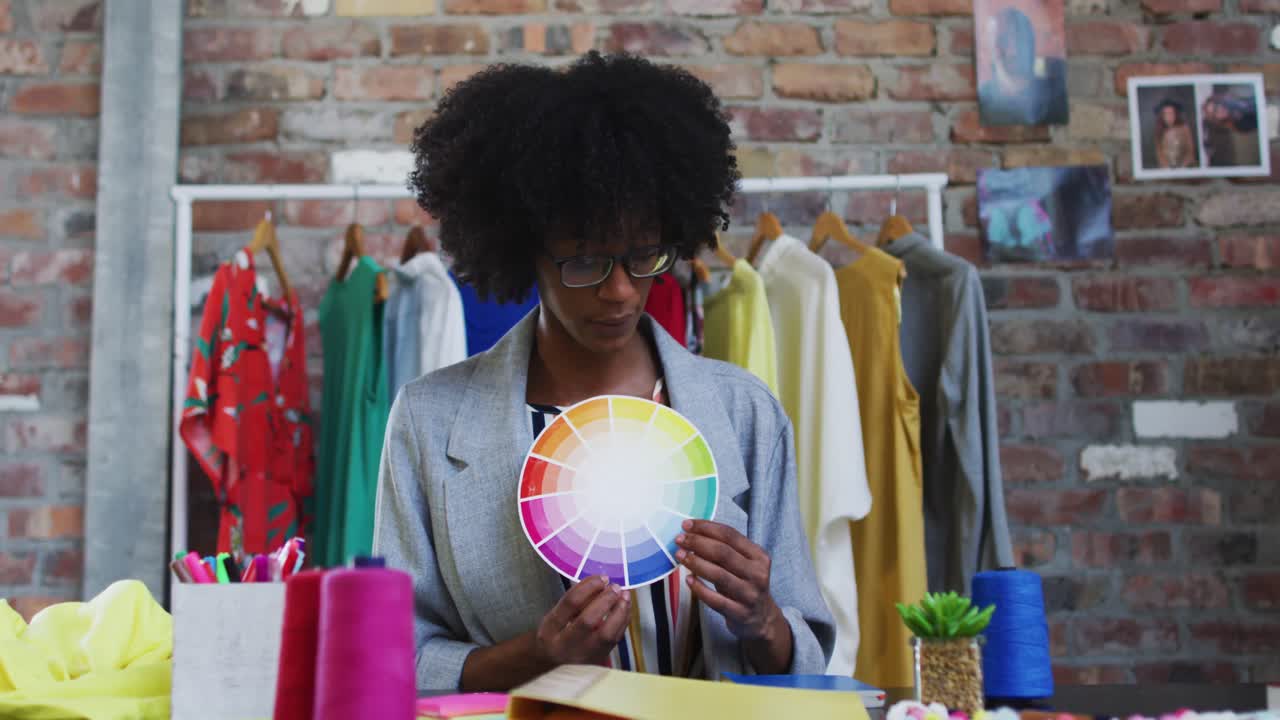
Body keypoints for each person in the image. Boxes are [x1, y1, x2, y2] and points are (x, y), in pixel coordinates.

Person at [374, 52, 835, 692]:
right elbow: (398, 657)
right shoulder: (429, 422)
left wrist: (763, 619)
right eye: (585, 261)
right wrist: (536, 655)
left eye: (644, 255)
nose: (619, 291)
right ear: (522, 250)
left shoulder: (744, 413)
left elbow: (808, 655)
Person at [978, 6, 1068, 126]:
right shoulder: (984, 100)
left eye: (1007, 39)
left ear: (1029, 41)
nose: (1002, 49)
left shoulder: (1055, 96)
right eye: (997, 40)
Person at [1153, 99, 1194, 169]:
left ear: (1175, 114)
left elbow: (1190, 151)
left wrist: (1183, 166)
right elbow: (1159, 152)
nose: (1169, 116)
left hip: (1184, 167)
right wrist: (1166, 166)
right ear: (1162, 116)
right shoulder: (1159, 130)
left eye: (1171, 113)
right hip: (1166, 168)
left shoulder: (1184, 128)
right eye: (1166, 114)